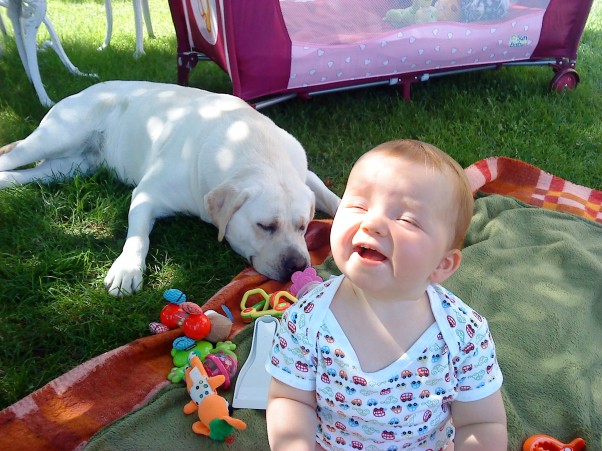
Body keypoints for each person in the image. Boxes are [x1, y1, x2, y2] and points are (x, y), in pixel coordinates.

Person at [265, 139, 507, 450]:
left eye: (406, 219)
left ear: (442, 265)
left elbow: (481, 422)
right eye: (358, 205)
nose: (372, 222)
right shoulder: (306, 321)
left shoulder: (463, 335)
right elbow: (290, 399)